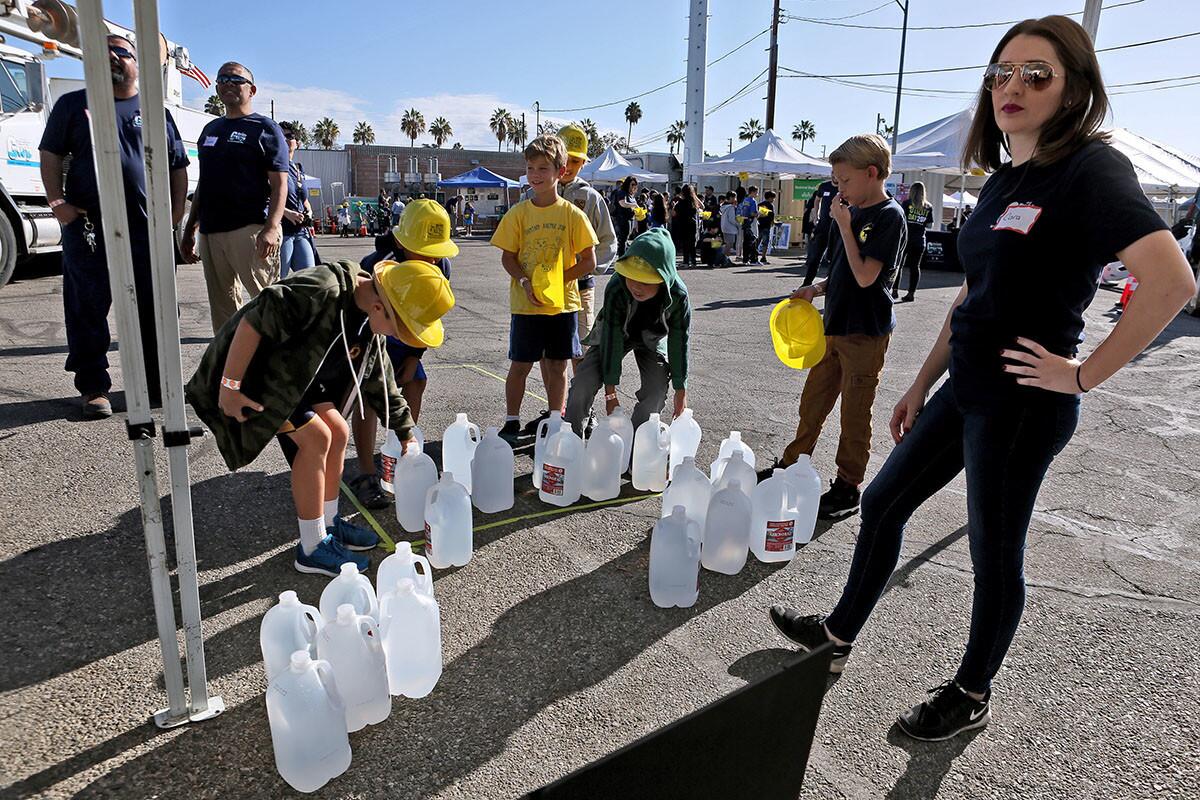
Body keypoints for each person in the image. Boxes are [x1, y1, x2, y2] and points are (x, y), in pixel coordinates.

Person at [768, 15, 1196, 743]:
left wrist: (1083, 373)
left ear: (1074, 91)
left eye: (1037, 74)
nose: (1013, 86)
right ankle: (837, 636)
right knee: (883, 503)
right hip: (963, 387)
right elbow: (973, 293)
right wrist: (919, 383)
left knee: (994, 555)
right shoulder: (1004, 181)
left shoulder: (1091, 168)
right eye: (1001, 72)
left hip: (1024, 403)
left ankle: (970, 692)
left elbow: (1171, 282)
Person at [185, 258, 454, 576]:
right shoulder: (321, 289)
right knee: (317, 439)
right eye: (399, 329)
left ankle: (328, 523)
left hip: (296, 381)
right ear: (381, 308)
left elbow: (381, 379)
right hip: (256, 375)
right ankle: (312, 547)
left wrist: (405, 429)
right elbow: (253, 321)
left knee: (338, 431)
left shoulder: (368, 315)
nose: (396, 337)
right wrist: (230, 387)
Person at [38, 34, 190, 419]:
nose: (112, 58)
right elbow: (50, 153)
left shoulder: (156, 111)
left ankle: (156, 384)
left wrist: (172, 217)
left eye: (121, 52)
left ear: (137, 62)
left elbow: (177, 167)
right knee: (86, 308)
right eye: (103, 52)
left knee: (155, 309)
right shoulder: (74, 105)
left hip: (145, 230)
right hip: (90, 228)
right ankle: (94, 388)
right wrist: (58, 203)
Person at [770, 134, 907, 519]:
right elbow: (844, 272)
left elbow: (866, 277)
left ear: (871, 173)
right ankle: (793, 464)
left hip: (866, 331)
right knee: (813, 401)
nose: (839, 188)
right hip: (834, 325)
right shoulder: (854, 210)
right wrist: (815, 288)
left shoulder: (888, 216)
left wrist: (845, 227)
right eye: (836, 181)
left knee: (854, 411)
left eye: (844, 181)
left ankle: (848, 486)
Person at [348, 200, 458, 508]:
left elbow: (428, 315)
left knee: (415, 383)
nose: (431, 261)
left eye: (436, 253)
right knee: (369, 398)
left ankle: (403, 452)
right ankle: (368, 473)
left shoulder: (440, 267)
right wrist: (373, 365)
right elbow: (364, 318)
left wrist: (414, 357)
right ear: (400, 242)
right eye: (424, 251)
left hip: (406, 339)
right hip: (373, 336)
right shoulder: (377, 264)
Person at [491, 134, 598, 444]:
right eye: (530, 168)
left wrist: (558, 279)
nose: (535, 175)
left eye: (542, 168)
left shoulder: (572, 214)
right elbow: (507, 257)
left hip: (562, 305)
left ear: (560, 171)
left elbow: (589, 260)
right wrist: (526, 281)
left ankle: (555, 418)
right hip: (525, 305)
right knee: (520, 364)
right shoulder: (519, 214)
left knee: (557, 365)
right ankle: (512, 421)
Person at [180, 62, 288, 335]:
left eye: (235, 79)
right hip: (211, 232)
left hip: (250, 230)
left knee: (268, 302)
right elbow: (204, 183)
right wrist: (191, 228)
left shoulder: (264, 128)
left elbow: (279, 184)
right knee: (223, 310)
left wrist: (272, 227)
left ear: (251, 90)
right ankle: (231, 370)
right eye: (222, 79)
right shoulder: (211, 130)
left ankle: (277, 363)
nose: (227, 83)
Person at [565, 227, 690, 434]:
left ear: (663, 277)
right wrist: (610, 394)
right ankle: (570, 441)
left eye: (645, 281)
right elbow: (611, 339)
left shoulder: (678, 296)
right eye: (632, 278)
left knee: (656, 392)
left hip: (652, 337)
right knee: (583, 383)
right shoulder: (617, 286)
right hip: (614, 335)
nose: (636, 287)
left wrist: (680, 389)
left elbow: (679, 342)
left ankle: (636, 447)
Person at [541, 124, 617, 435]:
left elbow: (608, 242)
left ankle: (583, 409)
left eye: (575, 161)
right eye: (564, 160)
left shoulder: (590, 198)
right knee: (549, 352)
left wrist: (590, 267)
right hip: (545, 288)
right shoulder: (539, 193)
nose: (568, 167)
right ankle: (555, 410)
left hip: (580, 286)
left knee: (580, 350)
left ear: (583, 163)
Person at [277, 122, 316, 278]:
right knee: (278, 280)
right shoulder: (273, 166)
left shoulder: (298, 169)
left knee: (310, 279)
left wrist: (309, 210)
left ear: (297, 143)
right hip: (282, 231)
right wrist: (287, 213)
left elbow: (304, 199)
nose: (285, 139)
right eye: (281, 136)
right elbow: (265, 198)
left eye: (289, 136)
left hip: (301, 232)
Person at [892, 181, 933, 302]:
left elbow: (901, 220)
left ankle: (894, 291)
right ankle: (911, 293)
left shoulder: (906, 203)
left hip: (905, 239)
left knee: (899, 265)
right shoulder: (928, 206)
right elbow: (930, 225)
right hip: (919, 240)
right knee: (915, 267)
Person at [802, 178, 839, 285]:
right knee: (815, 257)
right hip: (822, 227)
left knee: (834, 259)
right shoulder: (824, 186)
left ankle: (831, 284)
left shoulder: (844, 187)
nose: (834, 176)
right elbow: (817, 199)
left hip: (837, 228)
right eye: (832, 173)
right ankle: (806, 284)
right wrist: (815, 214)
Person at [672, 185, 701, 268]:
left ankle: (686, 261)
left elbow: (673, 213)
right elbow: (702, 206)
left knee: (685, 243)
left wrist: (674, 205)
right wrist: (695, 196)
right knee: (692, 244)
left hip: (683, 224)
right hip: (693, 224)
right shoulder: (693, 201)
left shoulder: (680, 202)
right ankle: (694, 261)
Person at [611, 176, 639, 255]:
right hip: (623, 218)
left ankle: (623, 256)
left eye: (635, 185)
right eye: (632, 184)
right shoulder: (622, 192)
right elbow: (622, 203)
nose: (634, 186)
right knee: (623, 239)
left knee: (626, 238)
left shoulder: (630, 195)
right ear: (628, 184)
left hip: (630, 218)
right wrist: (633, 205)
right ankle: (621, 257)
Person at [738, 185, 761, 264]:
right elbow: (752, 213)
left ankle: (745, 259)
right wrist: (758, 214)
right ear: (753, 192)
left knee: (746, 242)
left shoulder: (745, 200)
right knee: (753, 241)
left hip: (745, 222)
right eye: (757, 192)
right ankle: (754, 260)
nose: (757, 194)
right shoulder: (753, 201)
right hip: (751, 222)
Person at [757, 189, 777, 265]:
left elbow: (759, 215)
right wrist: (773, 223)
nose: (773, 200)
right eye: (773, 198)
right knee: (765, 242)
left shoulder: (760, 204)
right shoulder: (770, 205)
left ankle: (753, 256)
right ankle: (763, 257)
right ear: (769, 198)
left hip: (759, 225)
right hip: (766, 226)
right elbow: (771, 216)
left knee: (757, 241)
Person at [719, 191, 739, 258]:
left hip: (724, 227)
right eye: (735, 197)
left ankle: (724, 258)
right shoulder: (730, 207)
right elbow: (732, 219)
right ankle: (724, 259)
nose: (736, 199)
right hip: (730, 228)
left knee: (728, 243)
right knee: (729, 244)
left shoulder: (724, 206)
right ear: (731, 197)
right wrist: (738, 224)